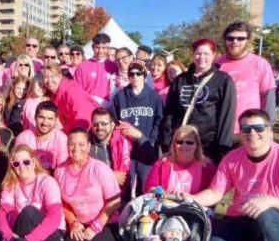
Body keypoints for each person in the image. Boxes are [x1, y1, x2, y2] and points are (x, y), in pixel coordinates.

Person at [193, 109, 279, 241]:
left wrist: (271, 200)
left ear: (269, 130)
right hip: (239, 218)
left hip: (273, 220)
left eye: (258, 127)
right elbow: (216, 193)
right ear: (240, 132)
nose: (252, 133)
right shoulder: (232, 158)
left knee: (265, 216)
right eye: (246, 128)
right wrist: (188, 199)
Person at [54, 128, 121, 241]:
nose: (76, 148)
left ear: (89, 146)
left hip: (105, 222)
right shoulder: (60, 170)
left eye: (81, 144)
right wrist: (73, 222)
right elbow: (62, 202)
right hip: (79, 222)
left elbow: (115, 202)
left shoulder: (100, 168)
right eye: (72, 144)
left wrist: (97, 226)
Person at [161, 38, 236, 163]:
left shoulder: (223, 80)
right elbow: (170, 114)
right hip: (183, 144)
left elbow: (226, 118)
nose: (201, 57)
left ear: (214, 55)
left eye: (206, 54)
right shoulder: (180, 80)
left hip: (208, 147)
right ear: (192, 55)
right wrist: (166, 143)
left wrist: (221, 152)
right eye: (198, 53)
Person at [0, 145, 66, 241]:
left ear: (33, 162)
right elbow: (1, 213)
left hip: (51, 236)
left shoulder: (47, 182)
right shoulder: (11, 184)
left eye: (26, 162)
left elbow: (55, 218)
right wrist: (9, 237)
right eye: (16, 164)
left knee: (29, 212)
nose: (22, 166)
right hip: (24, 239)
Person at [111, 60, 163, 198]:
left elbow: (159, 121)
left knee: (146, 186)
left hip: (147, 147)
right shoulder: (119, 97)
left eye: (138, 73)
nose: (134, 76)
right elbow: (116, 122)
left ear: (144, 75)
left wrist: (150, 140)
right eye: (131, 74)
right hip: (126, 149)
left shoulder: (154, 97)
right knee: (125, 186)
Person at [217, 21, 276, 136]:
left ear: (248, 41)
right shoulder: (216, 64)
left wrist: (268, 129)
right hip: (220, 130)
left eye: (240, 38)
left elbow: (268, 99)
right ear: (225, 40)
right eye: (230, 38)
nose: (235, 42)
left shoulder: (260, 64)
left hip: (250, 131)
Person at [144, 125, 216, 194]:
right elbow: (148, 191)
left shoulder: (207, 168)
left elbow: (213, 195)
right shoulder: (161, 165)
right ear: (174, 145)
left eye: (190, 142)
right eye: (179, 142)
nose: (184, 145)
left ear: (197, 145)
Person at [42, 63, 99, 133]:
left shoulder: (71, 91)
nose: (49, 80)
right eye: (45, 77)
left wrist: (63, 131)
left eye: (53, 76)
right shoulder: (52, 95)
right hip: (70, 131)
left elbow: (83, 120)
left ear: (60, 76)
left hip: (88, 132)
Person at [15, 101, 68, 172]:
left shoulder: (62, 139)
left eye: (50, 119)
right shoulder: (23, 138)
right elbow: (21, 169)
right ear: (35, 117)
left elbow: (61, 170)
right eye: (41, 117)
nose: (45, 122)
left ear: (56, 120)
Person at [89, 107, 131, 190]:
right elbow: (82, 172)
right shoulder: (87, 145)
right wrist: (110, 176)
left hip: (126, 193)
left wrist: (140, 136)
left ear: (112, 125)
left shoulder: (125, 141)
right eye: (95, 124)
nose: (99, 127)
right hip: (98, 195)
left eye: (104, 124)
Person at [74, 33, 118, 105]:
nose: (100, 51)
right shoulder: (82, 66)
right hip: (88, 105)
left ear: (108, 49)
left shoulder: (114, 66)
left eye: (103, 48)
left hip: (108, 107)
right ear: (92, 47)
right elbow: (77, 90)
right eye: (97, 47)